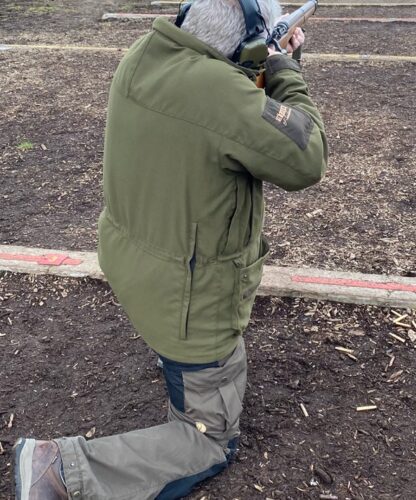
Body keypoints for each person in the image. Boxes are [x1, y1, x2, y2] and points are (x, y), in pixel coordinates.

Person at [13, 0, 327, 497]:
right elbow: (305, 155)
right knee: (209, 442)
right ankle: (58, 472)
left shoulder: (145, 53)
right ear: (248, 45)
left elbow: (214, 119)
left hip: (136, 266)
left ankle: (173, 362)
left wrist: (257, 65)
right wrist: (283, 67)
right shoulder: (221, 92)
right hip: (189, 307)